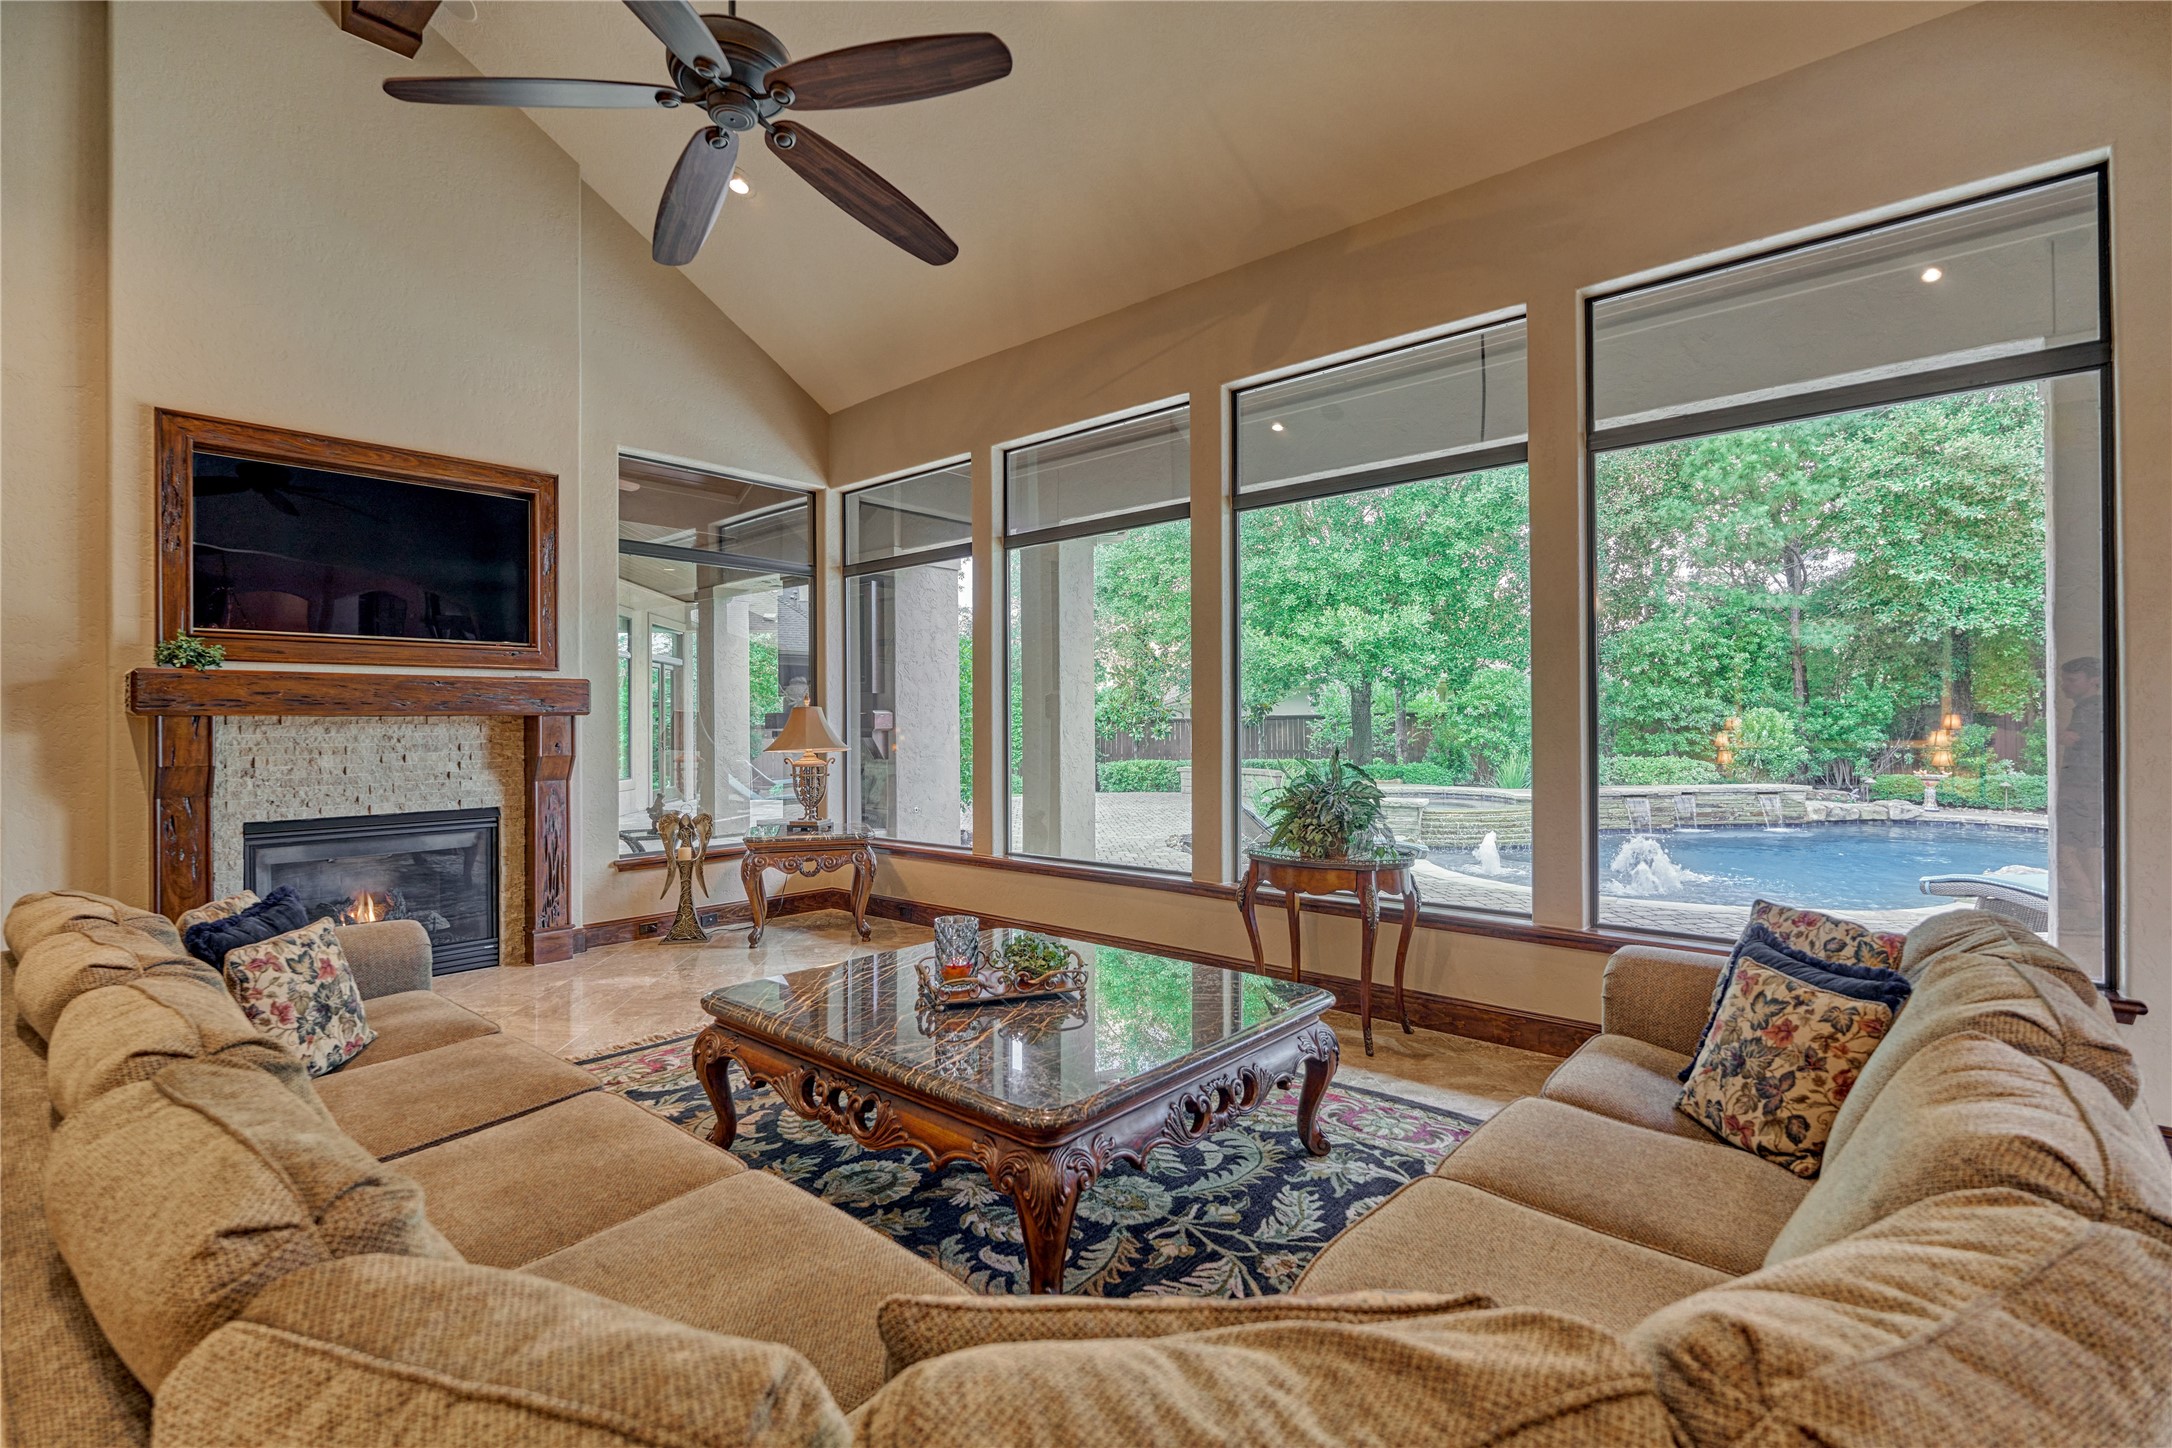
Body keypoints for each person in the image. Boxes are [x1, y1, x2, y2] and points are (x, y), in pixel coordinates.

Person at [2055, 657, 2105, 932]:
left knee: (2065, 852)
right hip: (2091, 790)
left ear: (2093, 681)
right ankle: (2095, 910)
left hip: (2079, 792)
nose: (2065, 685)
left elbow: (2069, 738)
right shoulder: (2099, 708)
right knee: (2089, 850)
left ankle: (2089, 913)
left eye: (2072, 680)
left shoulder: (2089, 708)